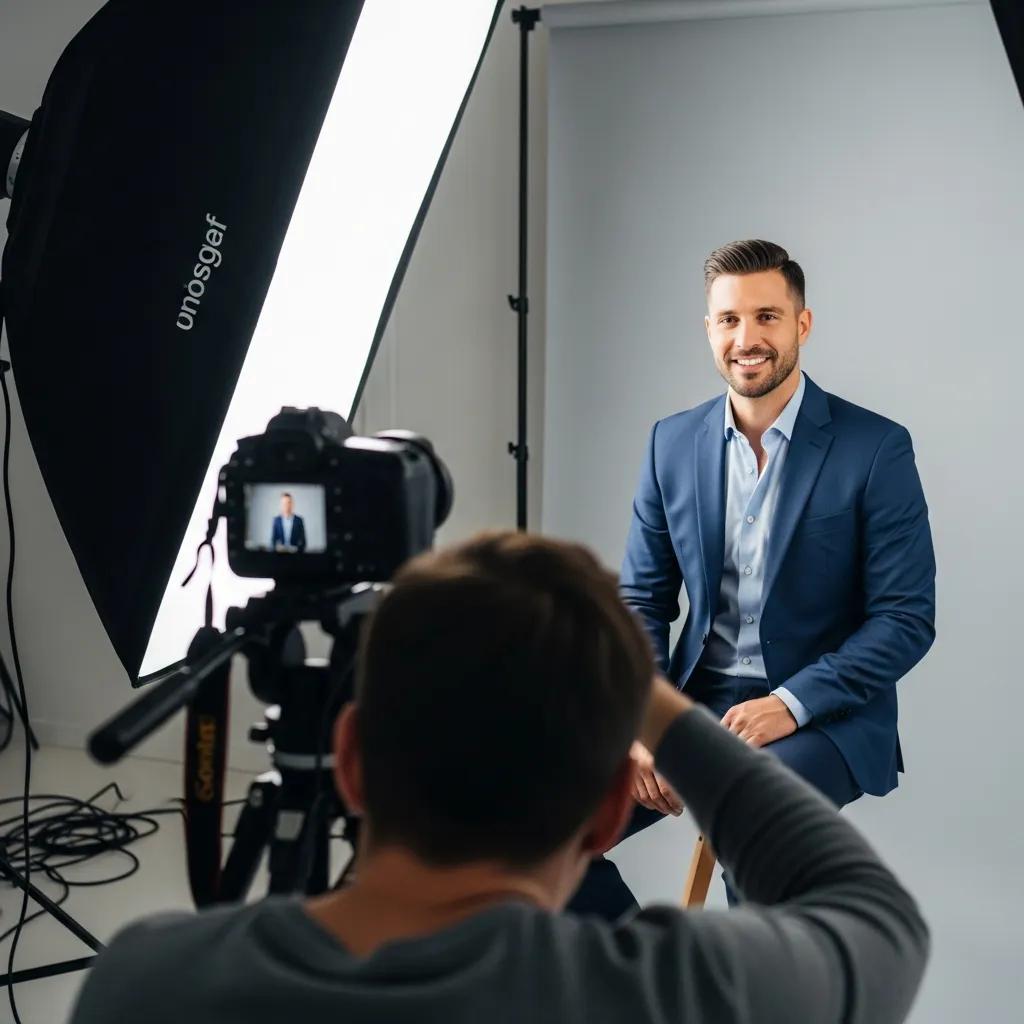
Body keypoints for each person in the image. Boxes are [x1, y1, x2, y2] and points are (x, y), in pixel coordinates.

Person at [70, 531, 929, 1024]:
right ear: (606, 814)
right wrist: (651, 703)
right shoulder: (669, 993)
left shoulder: (144, 982)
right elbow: (877, 919)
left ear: (353, 762)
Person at [569, 239, 936, 918]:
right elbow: (642, 600)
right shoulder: (671, 442)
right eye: (730, 319)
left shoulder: (875, 448)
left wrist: (789, 704)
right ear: (709, 328)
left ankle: (750, 977)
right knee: (541, 830)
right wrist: (645, 717)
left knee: (751, 821)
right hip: (692, 700)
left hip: (822, 716)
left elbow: (905, 619)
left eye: (767, 316)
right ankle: (652, 967)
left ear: (802, 324)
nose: (747, 339)